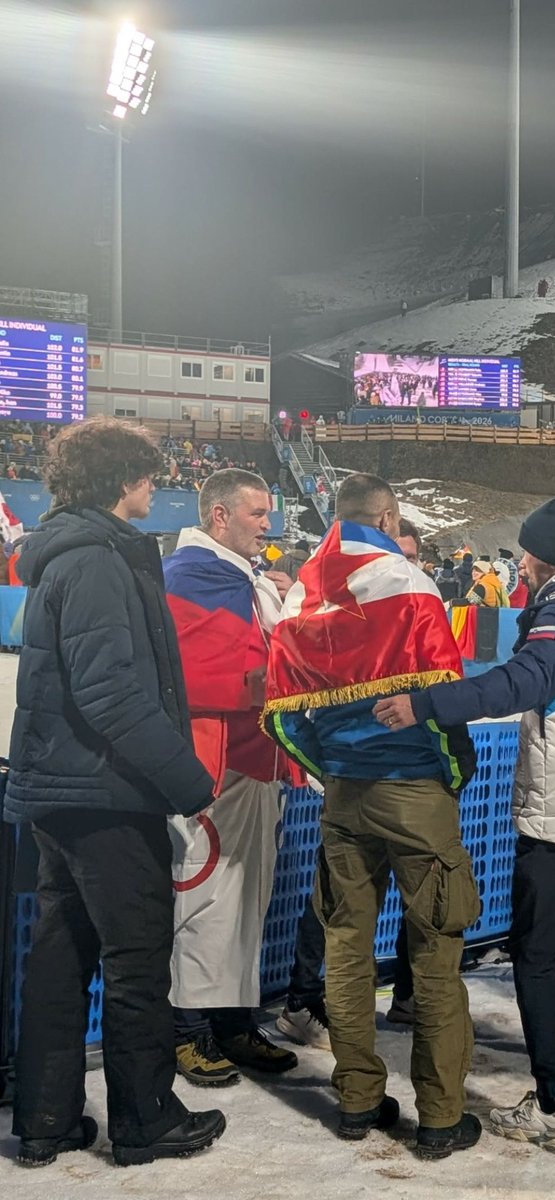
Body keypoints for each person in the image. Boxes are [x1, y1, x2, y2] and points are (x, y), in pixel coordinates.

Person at [374, 494, 555, 1154]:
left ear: (543, 557)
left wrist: (423, 704)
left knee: (535, 963)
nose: (525, 570)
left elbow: (518, 684)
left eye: (530, 560)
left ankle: (554, 1107)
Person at [3, 417, 225, 1168]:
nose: (154, 489)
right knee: (137, 961)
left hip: (63, 792)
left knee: (62, 959)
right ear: (119, 481)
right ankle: (145, 1118)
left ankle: (46, 1119)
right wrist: (188, 782)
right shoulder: (96, 561)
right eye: (146, 476)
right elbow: (113, 695)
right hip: (105, 795)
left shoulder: (69, 555)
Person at [264, 474, 482, 1161]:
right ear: (387, 515)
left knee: (345, 949)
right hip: (413, 788)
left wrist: (332, 770)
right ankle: (441, 1115)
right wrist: (449, 777)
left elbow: (283, 719)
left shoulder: (299, 591)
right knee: (435, 952)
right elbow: (444, 698)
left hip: (344, 794)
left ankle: (358, 1099)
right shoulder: (405, 580)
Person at [163, 469, 299, 1085]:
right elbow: (183, 678)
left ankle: (234, 1023)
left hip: (255, 761)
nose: (267, 525)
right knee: (204, 900)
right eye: (256, 514)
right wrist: (268, 685)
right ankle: (187, 1030)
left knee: (248, 902)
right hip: (214, 769)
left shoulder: (241, 578)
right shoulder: (188, 577)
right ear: (220, 517)